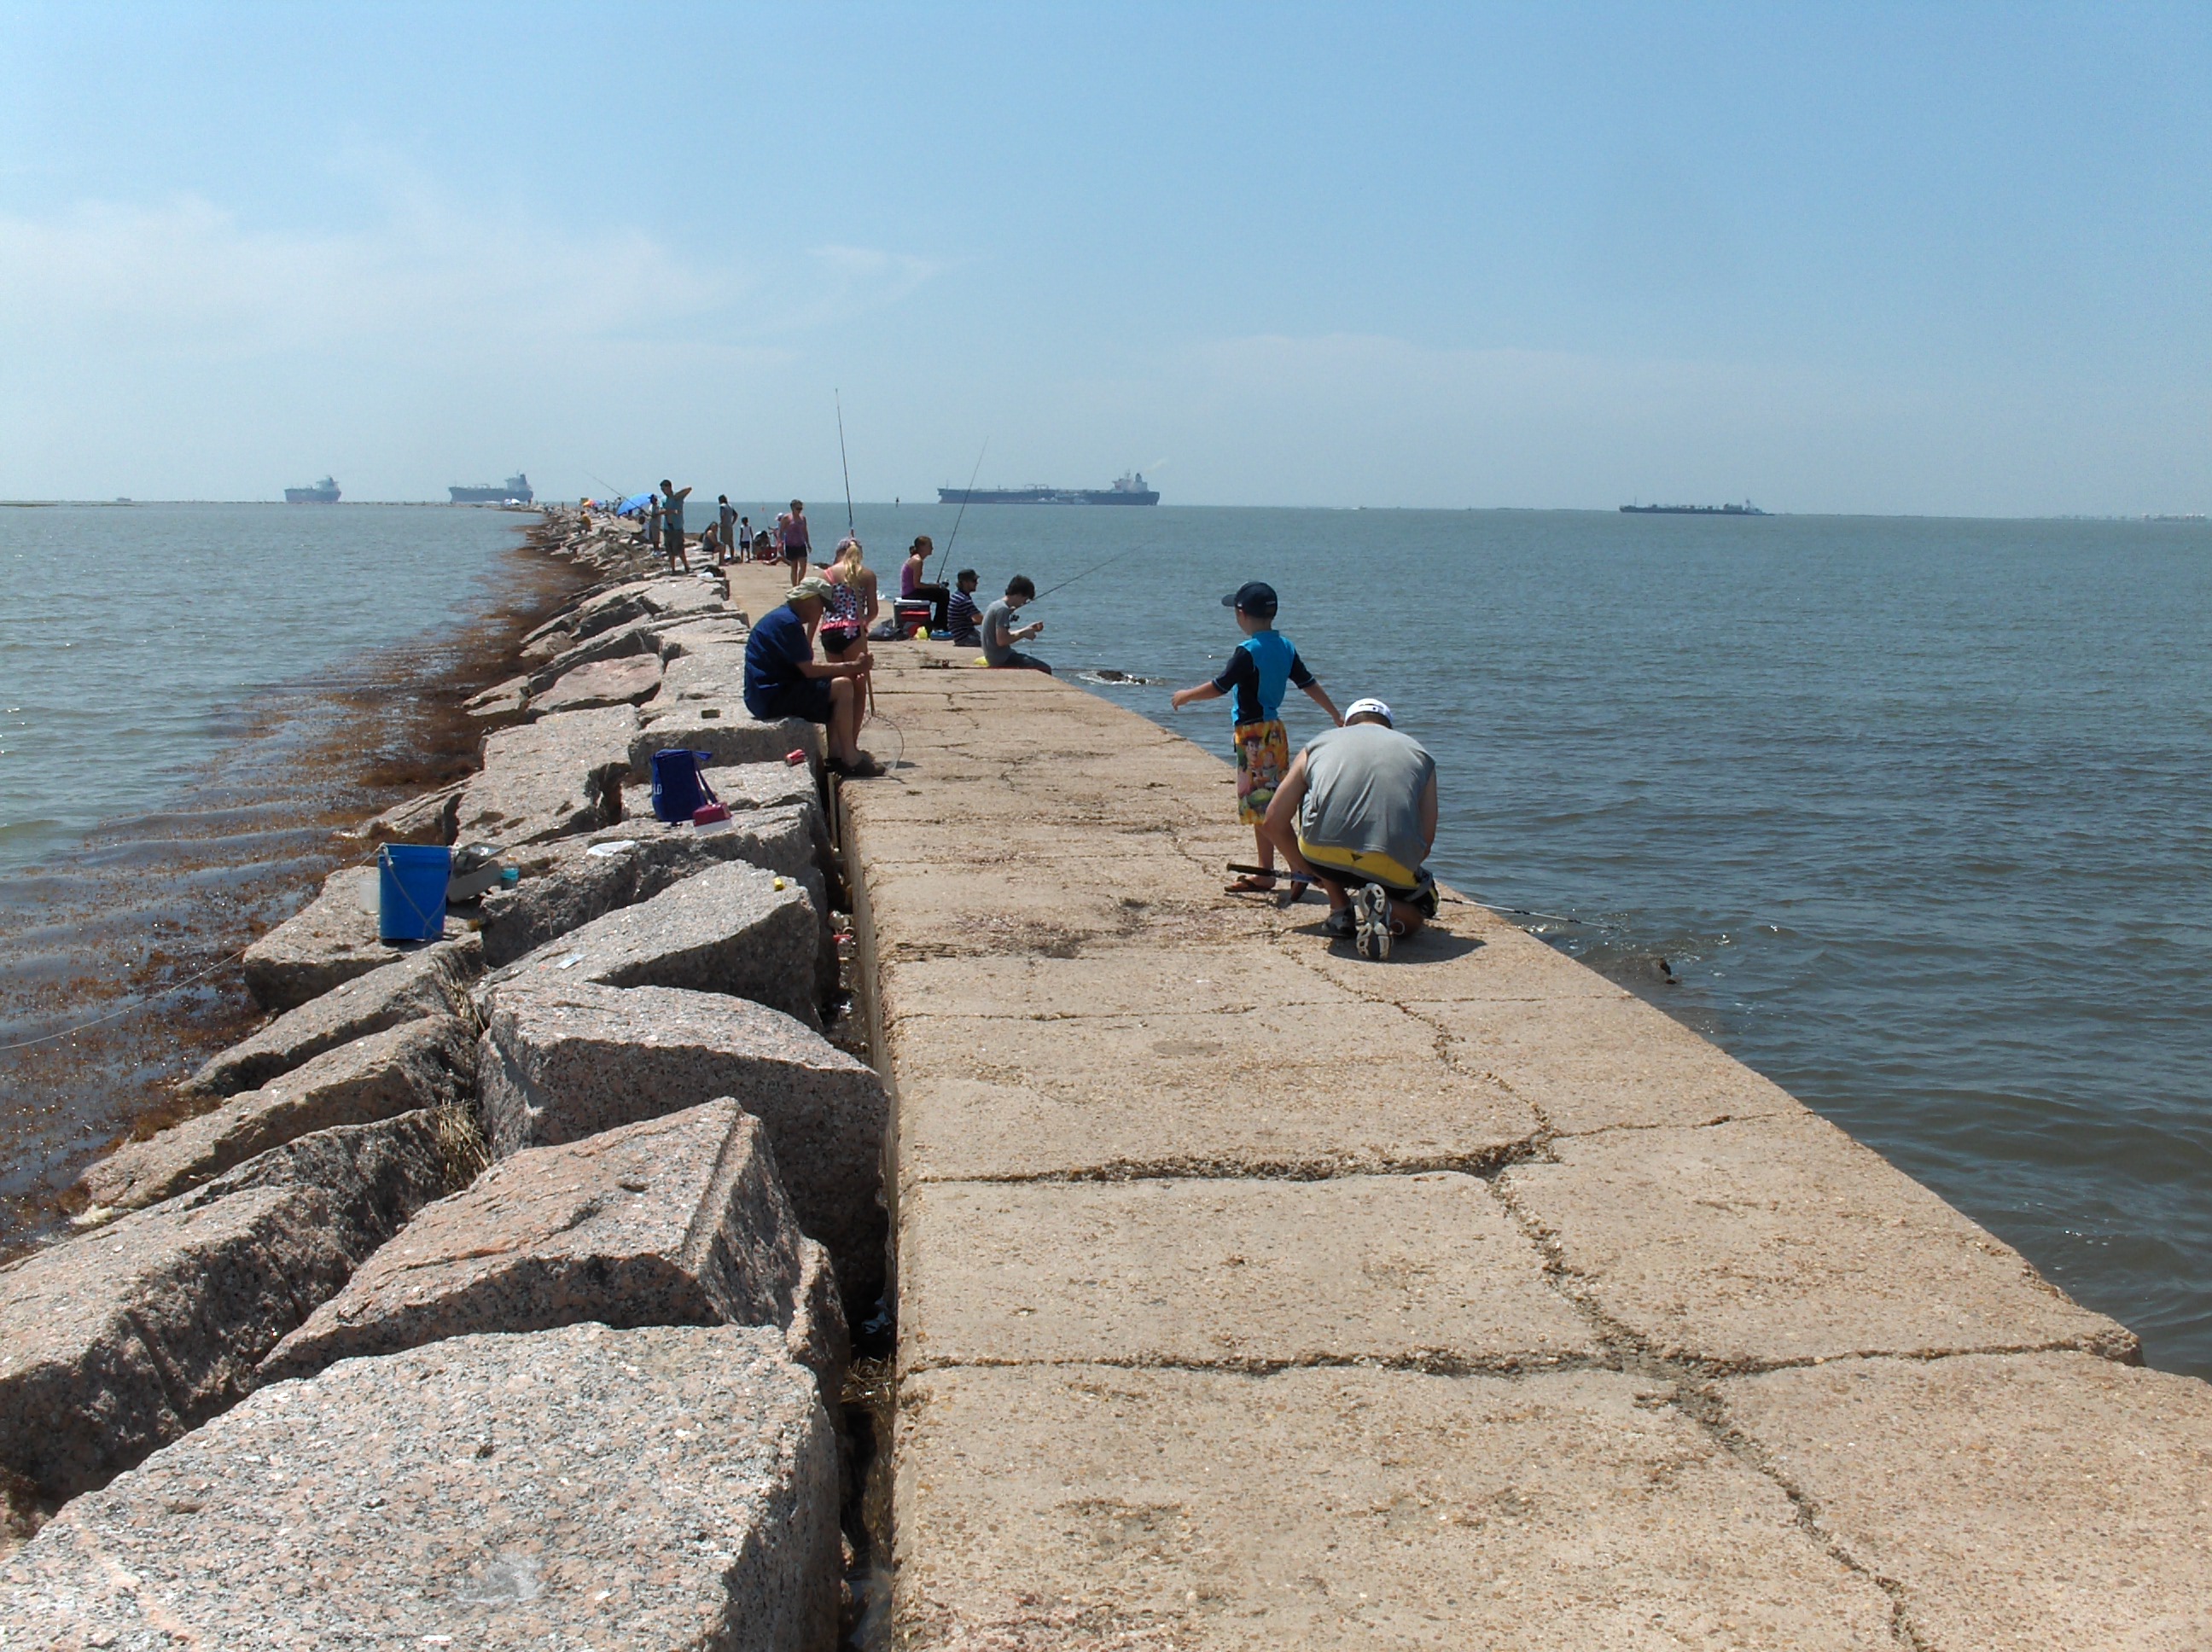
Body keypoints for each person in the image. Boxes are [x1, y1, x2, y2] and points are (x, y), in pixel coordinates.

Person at [1169, 580, 1341, 893]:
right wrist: (1334, 713)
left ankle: (1300, 868)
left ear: (1241, 614)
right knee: (1262, 806)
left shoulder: (1248, 652)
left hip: (1254, 737)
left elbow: (1220, 686)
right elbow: (1308, 683)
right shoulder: (1285, 646)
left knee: (1262, 809)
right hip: (1275, 732)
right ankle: (1265, 872)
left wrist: (1186, 696)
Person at [1261, 698, 1439, 961]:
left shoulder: (1320, 743)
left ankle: (1340, 905)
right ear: (1389, 727)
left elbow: (1273, 820)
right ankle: (1386, 907)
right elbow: (1426, 839)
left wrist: (1305, 868)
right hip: (1390, 859)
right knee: (1414, 921)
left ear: (1346, 724)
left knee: (1321, 808)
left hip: (1322, 852)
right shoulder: (1421, 755)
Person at [743, 574, 882, 777]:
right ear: (808, 599)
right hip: (770, 695)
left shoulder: (784, 618)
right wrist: (853, 666)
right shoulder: (787, 623)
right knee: (842, 686)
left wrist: (849, 669)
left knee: (837, 684)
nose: (822, 611)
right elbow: (809, 670)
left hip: (767, 692)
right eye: (821, 605)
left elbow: (805, 658)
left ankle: (836, 754)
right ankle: (849, 757)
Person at [820, 536, 878, 663]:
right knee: (858, 674)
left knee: (837, 675)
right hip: (854, 628)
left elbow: (820, 606)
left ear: (838, 553)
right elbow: (873, 611)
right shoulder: (867, 574)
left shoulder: (827, 574)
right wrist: (865, 623)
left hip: (829, 628)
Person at [981, 575, 1050, 672]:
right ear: (1019, 594)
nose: (1024, 603)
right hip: (1001, 659)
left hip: (996, 656)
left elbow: (1002, 635)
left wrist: (1027, 629)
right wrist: (1023, 634)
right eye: (1025, 599)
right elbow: (1002, 641)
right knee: (1045, 669)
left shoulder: (996, 605)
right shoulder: (1003, 609)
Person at [899, 536, 951, 634]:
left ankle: (939, 623)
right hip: (911, 593)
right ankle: (939, 625)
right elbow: (917, 585)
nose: (932, 548)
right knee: (944, 593)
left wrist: (934, 586)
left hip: (910, 591)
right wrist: (934, 586)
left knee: (941, 592)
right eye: (930, 546)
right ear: (922, 547)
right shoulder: (917, 561)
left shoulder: (916, 559)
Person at [659, 479, 692, 573]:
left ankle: (686, 567)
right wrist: (672, 511)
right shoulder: (663, 499)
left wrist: (676, 495)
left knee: (680, 549)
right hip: (667, 528)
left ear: (669, 488)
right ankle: (673, 569)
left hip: (677, 527)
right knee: (670, 551)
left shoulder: (678, 498)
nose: (663, 491)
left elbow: (689, 488)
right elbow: (661, 511)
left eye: (664, 489)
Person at [946, 568, 984, 647]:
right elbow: (980, 620)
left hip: (960, 636)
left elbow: (971, 620)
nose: (977, 583)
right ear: (965, 582)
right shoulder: (964, 600)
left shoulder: (957, 595)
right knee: (995, 642)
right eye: (974, 581)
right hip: (965, 638)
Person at [777, 499, 811, 580]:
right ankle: (794, 586)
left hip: (801, 544)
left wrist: (808, 544)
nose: (799, 510)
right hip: (791, 545)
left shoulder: (803, 518)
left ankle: (800, 584)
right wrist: (780, 543)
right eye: (798, 508)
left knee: (803, 567)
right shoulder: (787, 518)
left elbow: (805, 531)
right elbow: (780, 531)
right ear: (792, 508)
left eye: (801, 508)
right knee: (794, 568)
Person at [718, 495, 737, 562]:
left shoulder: (722, 507)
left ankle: (722, 559)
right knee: (731, 543)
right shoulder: (730, 506)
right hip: (730, 526)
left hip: (724, 526)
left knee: (722, 543)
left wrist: (722, 523)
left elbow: (722, 516)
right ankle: (732, 558)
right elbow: (736, 515)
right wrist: (732, 523)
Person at [643, 492, 661, 557]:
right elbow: (650, 515)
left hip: (656, 524)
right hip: (651, 524)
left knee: (656, 538)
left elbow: (654, 515)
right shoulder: (651, 506)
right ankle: (655, 550)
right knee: (653, 539)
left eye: (652, 499)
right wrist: (646, 514)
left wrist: (647, 514)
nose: (650, 500)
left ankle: (658, 551)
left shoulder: (657, 507)